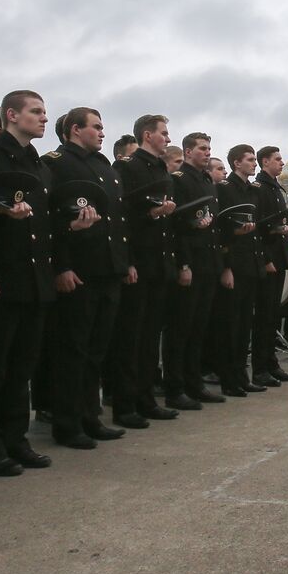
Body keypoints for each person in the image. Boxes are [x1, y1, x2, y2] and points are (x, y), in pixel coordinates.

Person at [0, 90, 90, 477]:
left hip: (36, 280)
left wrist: (68, 240)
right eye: (35, 112)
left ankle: (15, 440)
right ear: (11, 115)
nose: (42, 117)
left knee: (21, 367)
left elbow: (47, 225)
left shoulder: (40, 167)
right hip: (3, 278)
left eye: (43, 112)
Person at [42, 108, 132, 449]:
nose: (102, 132)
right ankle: (67, 423)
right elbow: (51, 221)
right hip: (79, 270)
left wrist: (123, 263)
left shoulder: (104, 167)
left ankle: (89, 416)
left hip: (107, 269)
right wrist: (62, 266)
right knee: (72, 351)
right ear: (75, 130)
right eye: (96, 127)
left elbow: (117, 223)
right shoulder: (56, 163)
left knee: (96, 350)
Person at [109, 114, 180, 426]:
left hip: (158, 263)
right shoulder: (127, 167)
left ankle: (146, 398)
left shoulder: (161, 168)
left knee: (150, 338)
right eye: (163, 133)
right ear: (148, 135)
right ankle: (125, 406)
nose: (167, 137)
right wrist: (128, 262)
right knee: (131, 337)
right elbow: (120, 215)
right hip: (137, 261)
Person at [164, 132, 225, 410]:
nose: (206, 152)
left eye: (209, 148)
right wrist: (183, 264)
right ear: (188, 152)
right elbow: (176, 227)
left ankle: (194, 382)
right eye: (202, 148)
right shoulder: (179, 180)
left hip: (208, 262)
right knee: (181, 330)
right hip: (191, 262)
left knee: (199, 328)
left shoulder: (206, 182)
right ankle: (175, 388)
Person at [214, 144, 265, 396]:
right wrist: (226, 267)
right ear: (236, 163)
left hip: (250, 264)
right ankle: (229, 379)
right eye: (250, 160)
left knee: (245, 324)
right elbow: (221, 230)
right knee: (230, 326)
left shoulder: (252, 191)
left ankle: (241, 376)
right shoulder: (225, 189)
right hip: (234, 263)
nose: (254, 163)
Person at [255, 146, 288, 384]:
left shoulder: (275, 188)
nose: (282, 163)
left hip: (279, 256)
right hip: (270, 259)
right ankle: (261, 369)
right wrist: (267, 260)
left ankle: (271, 363)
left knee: (272, 316)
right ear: (265, 162)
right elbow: (260, 229)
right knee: (264, 317)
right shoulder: (261, 189)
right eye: (278, 159)